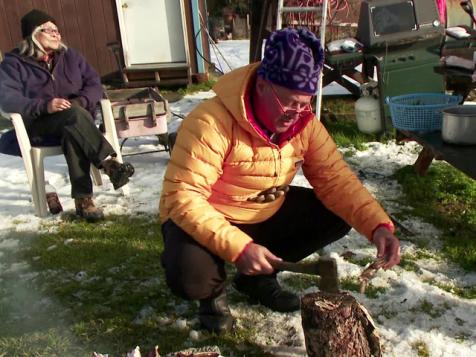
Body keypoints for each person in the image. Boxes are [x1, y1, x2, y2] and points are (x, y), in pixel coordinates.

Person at [159, 27, 400, 334]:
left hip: (261, 213)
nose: (297, 114)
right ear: (261, 86)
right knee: (191, 275)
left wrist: (378, 226)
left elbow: (336, 181)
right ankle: (212, 298)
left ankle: (257, 278)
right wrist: (239, 248)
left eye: (305, 103)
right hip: (204, 215)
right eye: (290, 103)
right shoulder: (210, 122)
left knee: (335, 214)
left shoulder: (303, 123)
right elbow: (185, 198)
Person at [0, 9, 134, 221]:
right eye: (48, 30)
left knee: (72, 128)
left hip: (76, 123)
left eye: (57, 30)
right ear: (33, 35)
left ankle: (84, 202)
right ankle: (108, 163)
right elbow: (8, 99)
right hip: (39, 125)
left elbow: (94, 84)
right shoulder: (14, 63)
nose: (56, 34)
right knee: (74, 119)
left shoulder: (71, 56)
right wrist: (45, 106)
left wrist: (79, 102)